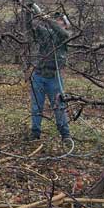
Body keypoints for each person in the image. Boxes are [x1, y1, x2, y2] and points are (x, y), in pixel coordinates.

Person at [28, 12, 72, 143]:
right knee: (36, 107)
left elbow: (61, 33)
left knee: (59, 106)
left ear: (65, 25)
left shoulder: (65, 36)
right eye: (56, 20)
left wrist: (48, 20)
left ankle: (65, 135)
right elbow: (30, 28)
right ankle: (35, 133)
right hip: (38, 75)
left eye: (60, 21)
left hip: (54, 77)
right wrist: (29, 11)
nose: (57, 22)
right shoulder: (46, 34)